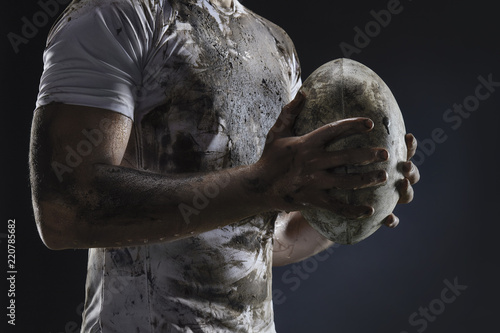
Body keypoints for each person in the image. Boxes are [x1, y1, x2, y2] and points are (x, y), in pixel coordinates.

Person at [29, 0, 420, 332]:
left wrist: (346, 196)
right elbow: (64, 208)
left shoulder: (276, 46)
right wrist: (262, 186)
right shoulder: (115, 14)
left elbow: (256, 239)